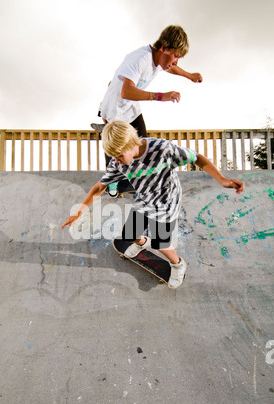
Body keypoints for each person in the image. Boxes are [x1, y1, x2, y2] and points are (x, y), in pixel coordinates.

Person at [61, 120, 245, 289]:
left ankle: (178, 264)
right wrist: (80, 211)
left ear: (131, 144)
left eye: (118, 155)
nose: (116, 160)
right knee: (129, 234)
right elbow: (100, 186)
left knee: (160, 244)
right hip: (145, 199)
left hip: (167, 202)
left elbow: (197, 158)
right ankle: (142, 243)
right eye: (112, 156)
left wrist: (223, 180)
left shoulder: (163, 149)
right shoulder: (118, 163)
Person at [96, 25, 203, 197]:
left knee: (142, 143)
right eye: (175, 55)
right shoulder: (141, 58)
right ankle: (112, 182)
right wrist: (160, 96)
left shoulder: (159, 59)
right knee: (116, 146)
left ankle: (139, 182)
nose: (176, 61)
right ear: (163, 47)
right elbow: (126, 91)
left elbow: (171, 67)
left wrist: (189, 75)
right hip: (115, 108)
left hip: (131, 107)